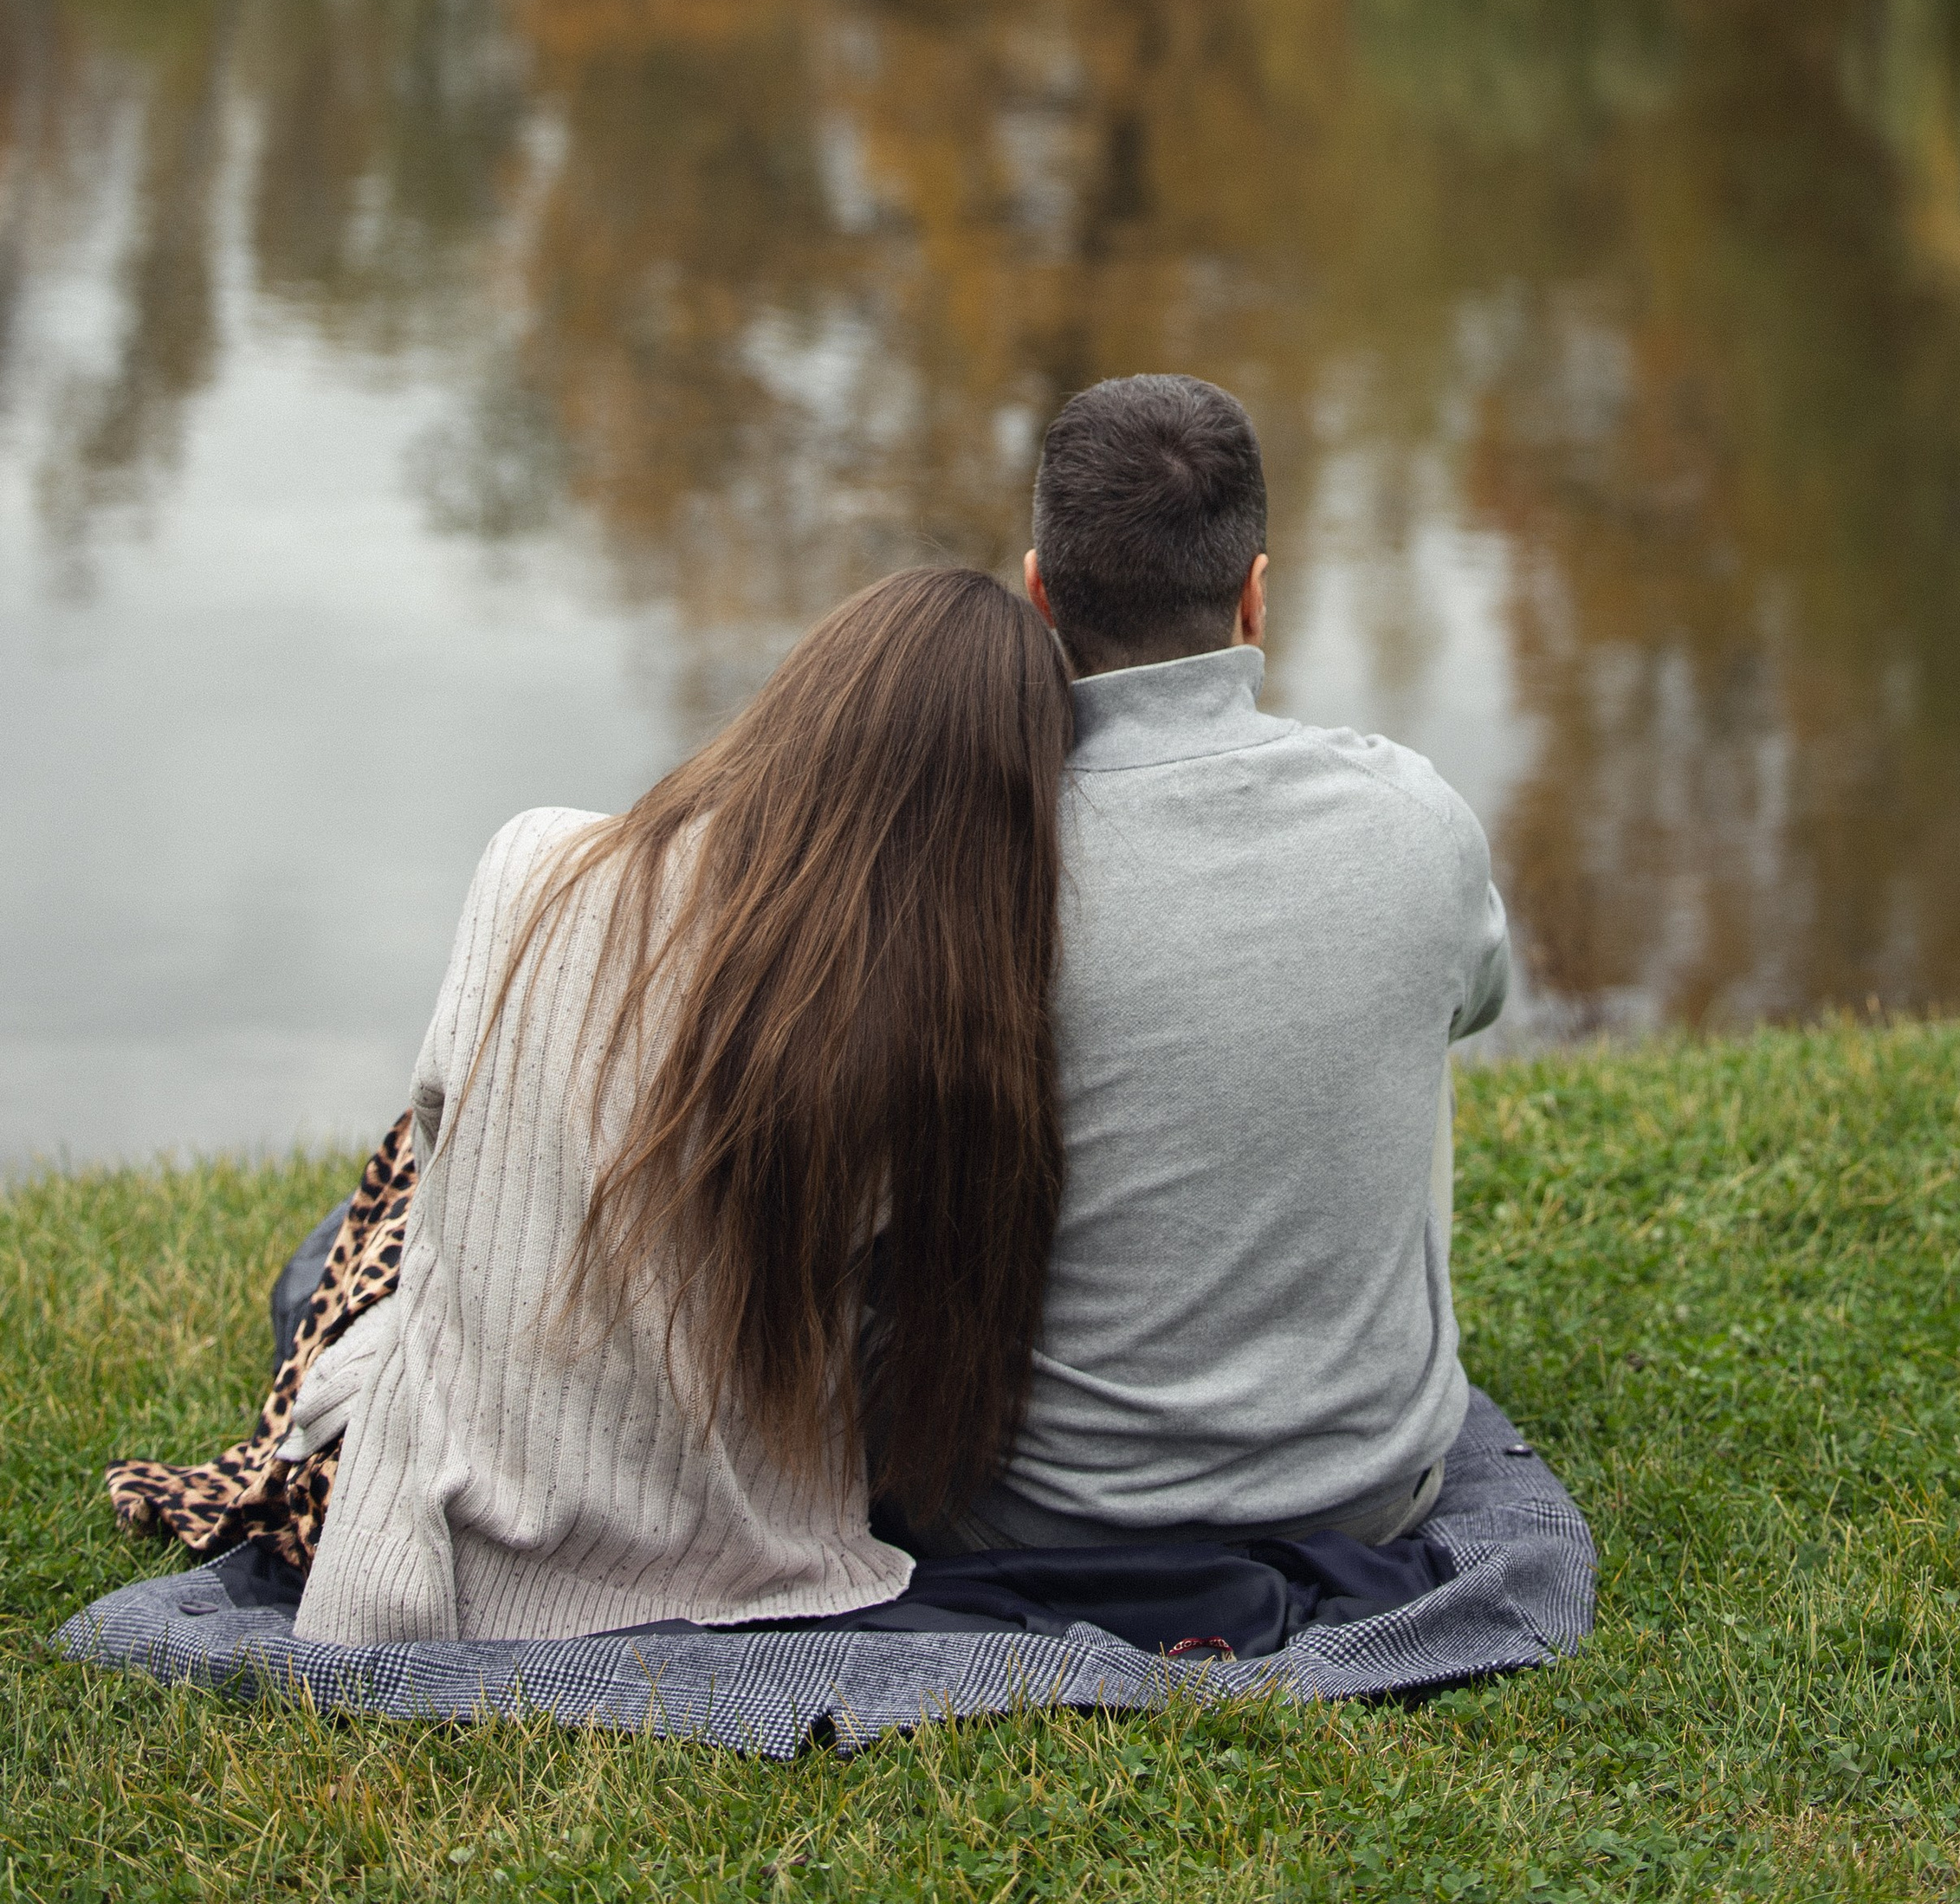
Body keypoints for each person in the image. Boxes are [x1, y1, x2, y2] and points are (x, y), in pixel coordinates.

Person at [289, 566, 1071, 1646]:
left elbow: (440, 1161)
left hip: (438, 1551)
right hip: (747, 1580)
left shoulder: (533, 860)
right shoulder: (936, 1053)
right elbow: (898, 1360)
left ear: (802, 704)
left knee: (341, 1249)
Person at [903, 371, 1510, 1554]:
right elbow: (1480, 1001)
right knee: (1408, 986)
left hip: (1033, 1521)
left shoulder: (964, 851)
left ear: (1038, 593)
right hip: (1364, 1501)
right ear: (1255, 595)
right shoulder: (1412, 814)